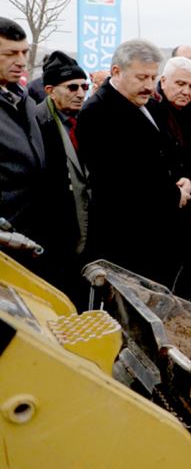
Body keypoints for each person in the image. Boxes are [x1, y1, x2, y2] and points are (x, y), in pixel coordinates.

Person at [76, 39, 191, 289]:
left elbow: (166, 150)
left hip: (159, 234)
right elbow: (118, 180)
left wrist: (182, 177)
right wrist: (174, 195)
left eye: (153, 77)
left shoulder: (148, 103)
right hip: (128, 240)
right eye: (141, 78)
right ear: (116, 72)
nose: (149, 86)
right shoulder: (97, 113)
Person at [149, 56, 191, 301]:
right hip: (173, 194)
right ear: (163, 81)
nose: (186, 91)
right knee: (175, 256)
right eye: (180, 84)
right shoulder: (152, 110)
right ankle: (178, 297)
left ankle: (188, 287)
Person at [33, 51, 90, 307]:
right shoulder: (35, 123)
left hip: (87, 229)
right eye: (73, 87)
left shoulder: (89, 119)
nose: (81, 93)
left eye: (85, 86)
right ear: (50, 90)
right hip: (56, 234)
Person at [0, 17, 46, 267]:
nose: (21, 61)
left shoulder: (25, 102)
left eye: (24, 52)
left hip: (27, 243)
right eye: (10, 54)